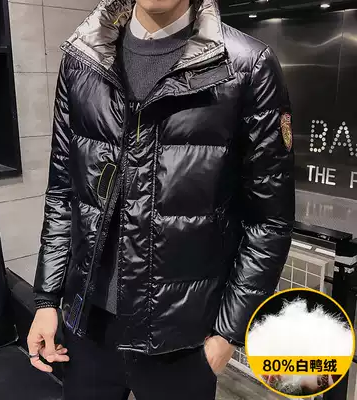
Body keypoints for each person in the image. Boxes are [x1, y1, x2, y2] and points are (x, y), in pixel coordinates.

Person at [27, 0, 295, 398]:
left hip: (183, 342)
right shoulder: (82, 58)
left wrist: (227, 334)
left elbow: (269, 220)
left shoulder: (248, 65)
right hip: (87, 328)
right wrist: (47, 298)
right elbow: (64, 191)